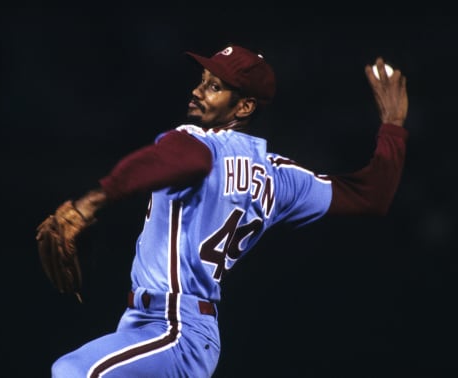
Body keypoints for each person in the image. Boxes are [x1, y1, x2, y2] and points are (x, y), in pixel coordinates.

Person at [44, 44, 408, 377]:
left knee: (74, 371)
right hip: (168, 328)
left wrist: (90, 202)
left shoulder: (199, 142)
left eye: (214, 86)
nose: (197, 91)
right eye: (202, 81)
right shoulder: (279, 176)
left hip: (173, 327)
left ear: (245, 106)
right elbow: (371, 195)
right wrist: (392, 127)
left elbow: (186, 159)